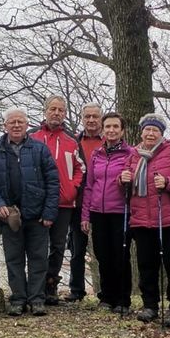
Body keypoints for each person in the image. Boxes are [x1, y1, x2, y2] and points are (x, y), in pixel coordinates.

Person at [0, 108, 59, 316]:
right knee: (13, 259)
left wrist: (49, 213)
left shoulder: (40, 149)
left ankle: (37, 300)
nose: (16, 125)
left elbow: (53, 182)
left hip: (37, 216)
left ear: (26, 125)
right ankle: (18, 299)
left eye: (20, 122)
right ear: (5, 125)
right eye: (12, 122)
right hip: (9, 216)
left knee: (38, 259)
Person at [123, 114, 170, 327]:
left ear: (161, 134)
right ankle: (150, 305)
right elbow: (125, 180)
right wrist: (122, 179)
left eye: (155, 130)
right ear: (141, 132)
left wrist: (168, 181)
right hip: (142, 221)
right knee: (147, 264)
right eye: (147, 130)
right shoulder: (134, 155)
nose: (150, 133)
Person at [30, 95, 83, 304]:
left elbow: (81, 169)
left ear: (65, 114)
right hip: (37, 202)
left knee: (58, 246)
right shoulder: (32, 138)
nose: (56, 113)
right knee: (37, 245)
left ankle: (50, 284)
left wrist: (72, 188)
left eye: (61, 110)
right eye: (53, 109)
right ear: (45, 111)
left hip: (64, 202)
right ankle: (36, 286)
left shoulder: (71, 141)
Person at [80, 112, 134, 312]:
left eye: (115, 127)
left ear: (122, 130)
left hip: (120, 212)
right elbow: (89, 185)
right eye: (108, 127)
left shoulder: (130, 153)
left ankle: (122, 300)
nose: (111, 130)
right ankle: (106, 297)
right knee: (102, 256)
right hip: (98, 212)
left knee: (120, 255)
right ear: (103, 130)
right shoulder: (96, 154)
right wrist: (85, 215)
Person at [66, 102, 104, 302]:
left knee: (103, 249)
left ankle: (107, 291)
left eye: (94, 116)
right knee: (77, 248)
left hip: (103, 202)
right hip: (78, 201)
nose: (91, 120)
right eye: (87, 116)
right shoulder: (74, 142)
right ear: (82, 119)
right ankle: (76, 289)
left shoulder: (108, 141)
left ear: (101, 119)